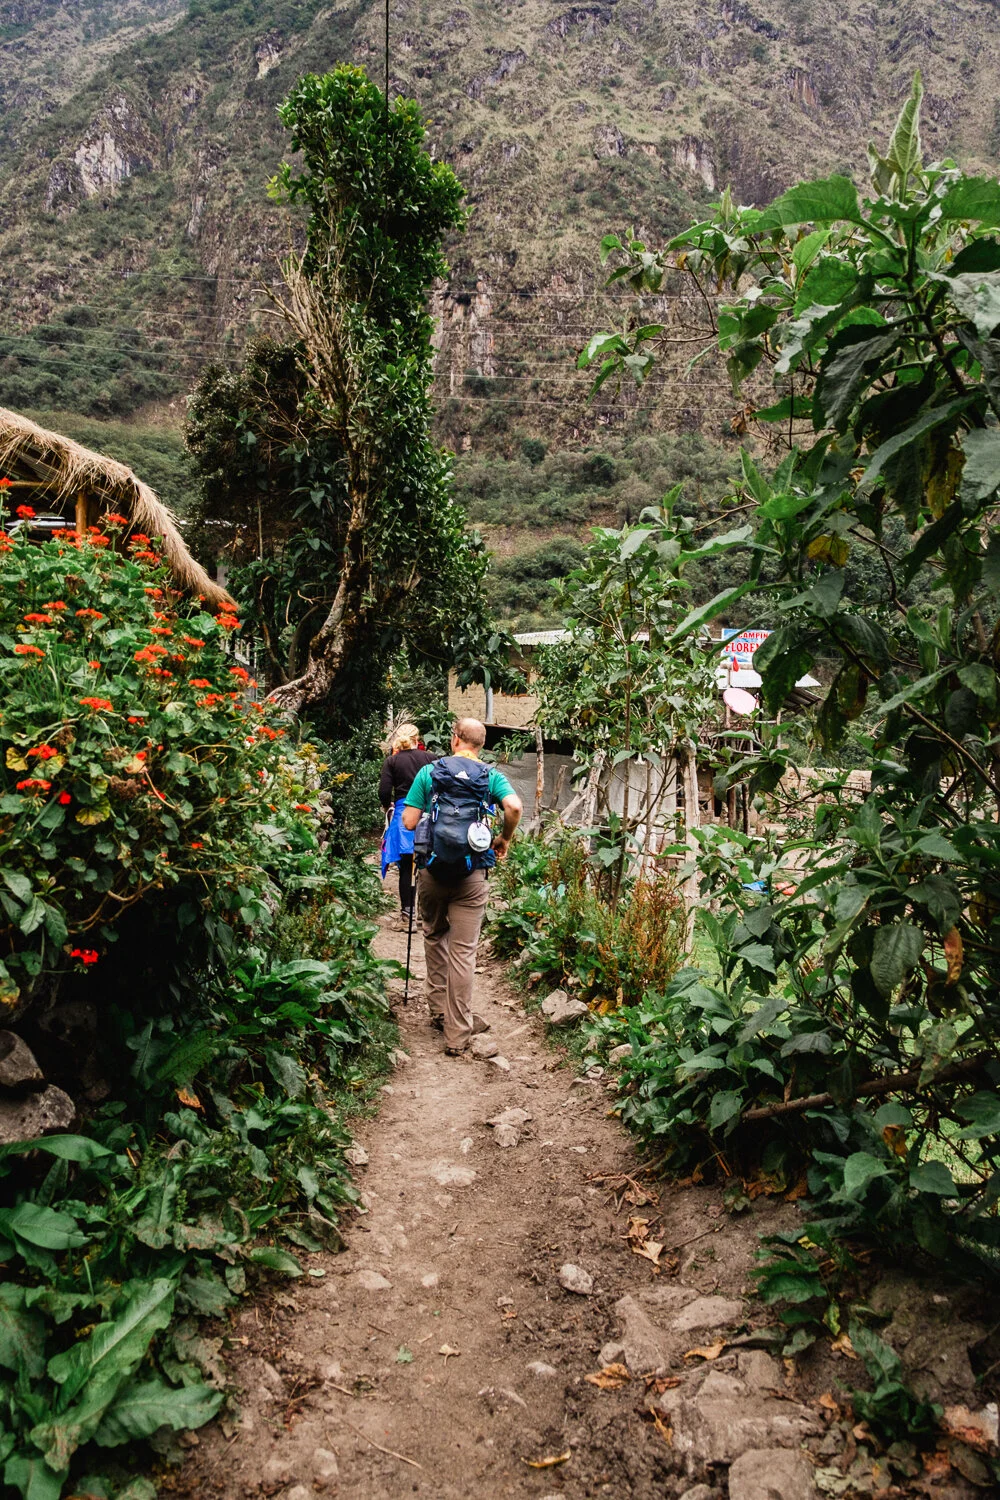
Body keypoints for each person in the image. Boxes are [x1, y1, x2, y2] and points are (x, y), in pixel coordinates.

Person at [402, 717, 522, 1056]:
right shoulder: (491, 776)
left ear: (455, 739)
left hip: (432, 872)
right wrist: (504, 838)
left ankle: (438, 1011)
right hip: (472, 875)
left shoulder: (430, 772)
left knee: (434, 934)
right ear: (480, 745)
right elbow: (514, 807)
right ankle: (456, 1035)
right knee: (464, 952)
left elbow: (409, 821)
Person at [379, 722, 434, 924]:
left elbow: (384, 792)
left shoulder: (392, 761)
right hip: (428, 816)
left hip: (404, 815)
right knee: (427, 865)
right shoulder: (430, 759)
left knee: (406, 866)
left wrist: (388, 807)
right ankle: (424, 913)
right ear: (417, 739)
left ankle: (407, 915)